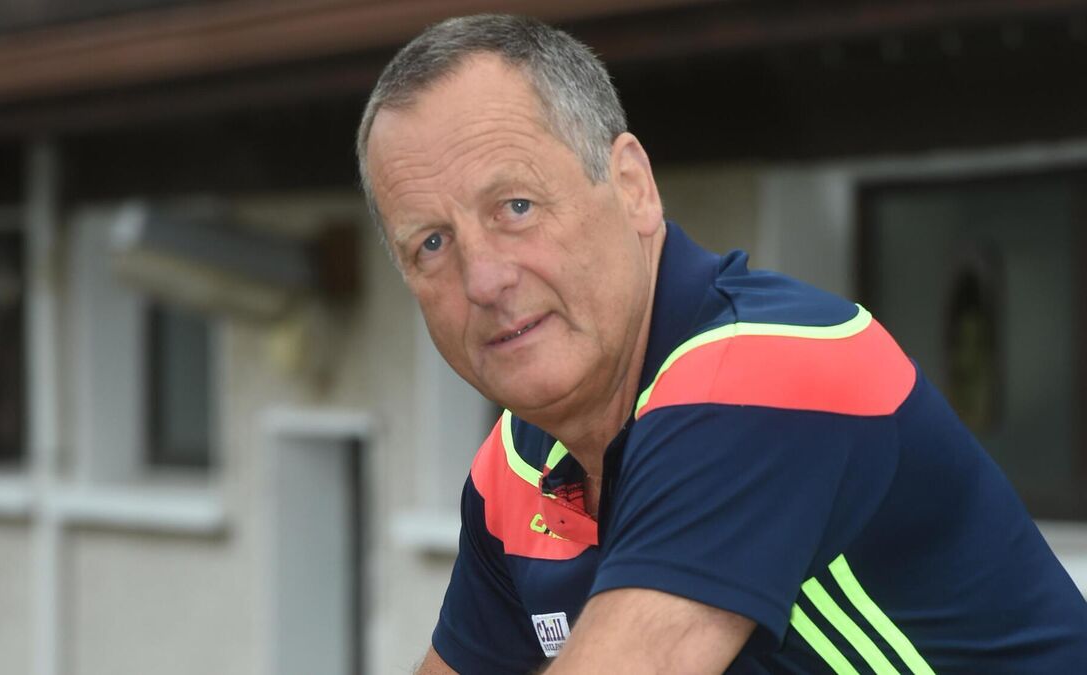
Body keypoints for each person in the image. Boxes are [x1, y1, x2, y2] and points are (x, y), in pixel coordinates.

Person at [356, 14, 1087, 674]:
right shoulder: (516, 468)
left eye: (516, 206)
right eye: (431, 244)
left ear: (633, 186)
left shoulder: (765, 370)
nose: (483, 279)